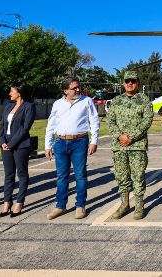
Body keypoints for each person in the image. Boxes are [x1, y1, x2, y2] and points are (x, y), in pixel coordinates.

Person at [44, 77, 100, 220]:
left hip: (79, 142)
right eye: (74, 88)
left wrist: (94, 141)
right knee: (61, 176)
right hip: (60, 142)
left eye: (78, 87)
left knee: (80, 175)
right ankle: (60, 206)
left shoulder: (86, 101)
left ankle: (80, 205)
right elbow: (51, 125)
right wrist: (47, 145)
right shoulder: (57, 104)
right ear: (65, 90)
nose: (78, 90)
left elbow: (94, 121)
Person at [105, 70, 154, 220]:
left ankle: (139, 206)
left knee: (138, 176)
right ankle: (124, 204)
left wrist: (131, 137)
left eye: (133, 81)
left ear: (138, 83)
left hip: (137, 146)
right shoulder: (116, 101)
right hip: (119, 146)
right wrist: (121, 136)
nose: (130, 83)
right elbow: (110, 120)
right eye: (127, 81)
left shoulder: (144, 100)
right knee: (121, 176)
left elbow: (147, 121)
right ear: (123, 83)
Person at [0, 83, 36, 218]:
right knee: (8, 175)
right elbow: (1, 125)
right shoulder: (8, 106)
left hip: (21, 145)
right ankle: (7, 202)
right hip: (5, 145)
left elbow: (25, 128)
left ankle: (19, 202)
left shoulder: (29, 107)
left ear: (19, 92)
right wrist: (2, 142)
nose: (9, 93)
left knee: (22, 173)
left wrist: (12, 143)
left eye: (11, 91)